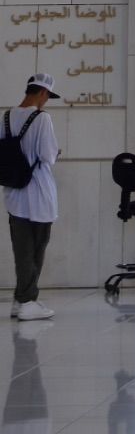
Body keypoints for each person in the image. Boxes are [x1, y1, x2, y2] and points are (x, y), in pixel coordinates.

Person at [3, 73, 60, 322]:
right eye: (47, 96)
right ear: (42, 93)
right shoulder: (42, 118)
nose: (46, 101)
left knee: (21, 249)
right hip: (39, 192)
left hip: (14, 192)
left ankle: (20, 299)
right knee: (36, 249)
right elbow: (48, 155)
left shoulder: (6, 116)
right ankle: (28, 301)